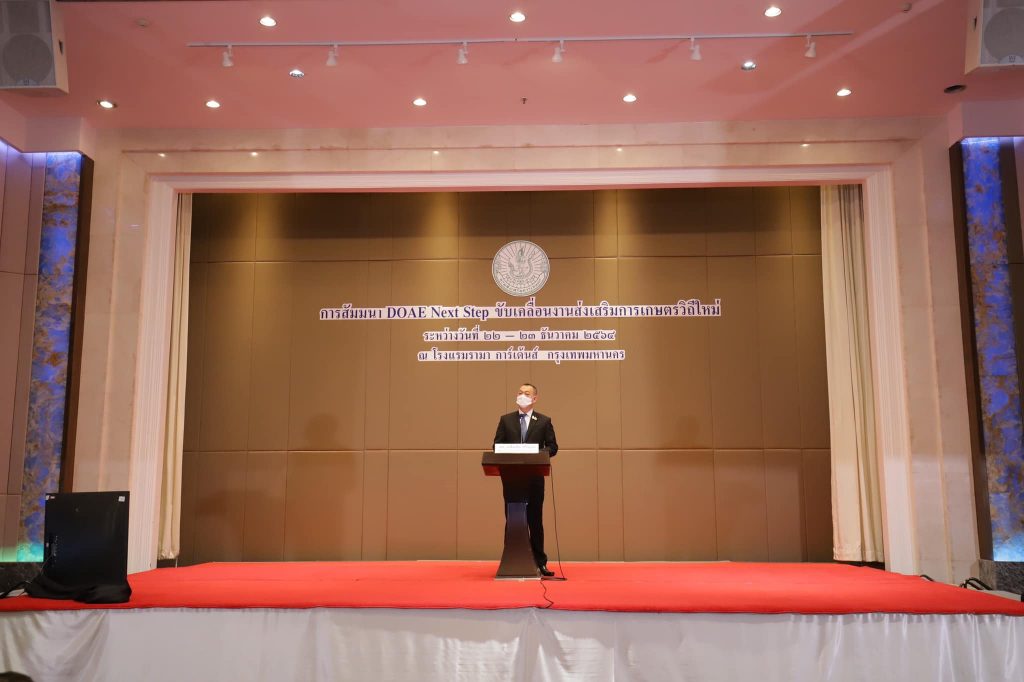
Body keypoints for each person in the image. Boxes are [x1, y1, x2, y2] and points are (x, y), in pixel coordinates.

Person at [492, 383, 558, 576]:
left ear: (535, 398)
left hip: (535, 477)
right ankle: (511, 559)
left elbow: (553, 447)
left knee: (535, 520)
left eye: (527, 393)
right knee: (513, 520)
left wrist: (534, 453)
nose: (522, 395)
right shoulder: (506, 420)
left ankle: (540, 562)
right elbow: (497, 445)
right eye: (520, 393)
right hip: (512, 478)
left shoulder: (544, 421)